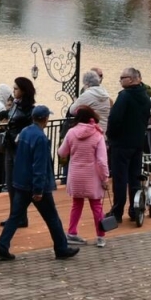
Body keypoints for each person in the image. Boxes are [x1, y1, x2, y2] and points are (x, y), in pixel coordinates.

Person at [0, 105, 80, 261]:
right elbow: (39, 165)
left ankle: (2, 245)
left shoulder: (25, 132)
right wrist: (38, 190)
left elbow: (21, 158)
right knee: (52, 217)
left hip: (21, 183)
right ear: (45, 119)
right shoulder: (40, 138)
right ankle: (61, 248)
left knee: (15, 216)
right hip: (36, 186)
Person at [58, 105, 109, 247]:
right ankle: (100, 237)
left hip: (75, 174)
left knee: (77, 204)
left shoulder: (71, 132)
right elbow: (102, 161)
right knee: (96, 206)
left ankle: (72, 232)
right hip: (92, 176)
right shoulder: (98, 135)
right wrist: (104, 178)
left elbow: (62, 152)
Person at [105, 67, 151, 225]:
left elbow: (115, 118)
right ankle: (135, 209)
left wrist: (111, 136)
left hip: (121, 143)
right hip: (137, 143)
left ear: (131, 79)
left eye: (122, 77)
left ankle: (117, 211)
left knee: (119, 178)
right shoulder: (145, 96)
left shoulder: (124, 96)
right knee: (134, 177)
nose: (120, 80)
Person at [0, 76, 36, 229]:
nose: (13, 91)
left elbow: (30, 130)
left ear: (24, 90)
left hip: (20, 150)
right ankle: (15, 216)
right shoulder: (14, 105)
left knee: (19, 184)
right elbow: (10, 121)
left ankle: (19, 217)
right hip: (9, 147)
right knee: (10, 183)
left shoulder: (30, 110)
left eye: (16, 88)